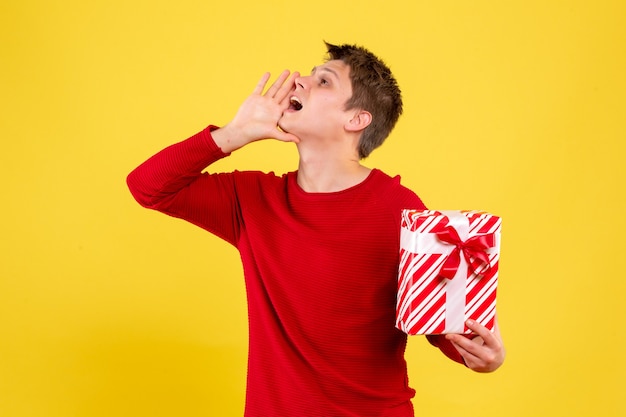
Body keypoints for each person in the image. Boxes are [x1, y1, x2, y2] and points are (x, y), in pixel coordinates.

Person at [127, 42, 505, 417]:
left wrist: (483, 356)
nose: (299, 82)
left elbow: (443, 326)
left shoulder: (400, 210)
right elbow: (147, 187)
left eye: (323, 81)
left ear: (356, 119)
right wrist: (234, 133)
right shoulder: (252, 200)